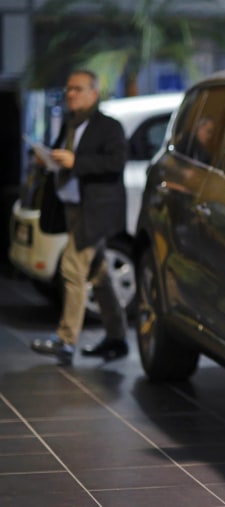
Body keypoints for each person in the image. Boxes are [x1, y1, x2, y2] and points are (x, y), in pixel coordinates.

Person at [30, 69, 129, 366]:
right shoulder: (71, 125)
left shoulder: (108, 126)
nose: (71, 94)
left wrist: (76, 162)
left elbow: (115, 162)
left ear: (93, 93)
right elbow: (64, 162)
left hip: (96, 211)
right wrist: (48, 162)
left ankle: (66, 340)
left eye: (77, 89)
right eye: (68, 89)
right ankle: (117, 337)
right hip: (73, 208)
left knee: (72, 268)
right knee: (99, 276)